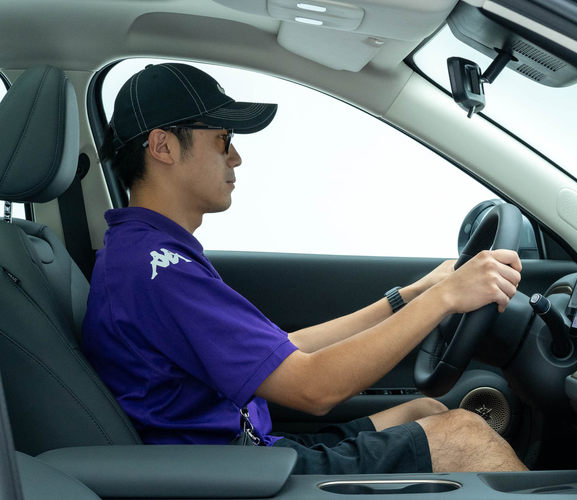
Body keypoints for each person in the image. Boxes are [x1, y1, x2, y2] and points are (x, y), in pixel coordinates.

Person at [82, 62, 527, 474]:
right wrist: (445, 298)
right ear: (162, 146)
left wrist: (410, 297)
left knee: (425, 411)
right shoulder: (159, 268)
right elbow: (313, 389)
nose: (235, 158)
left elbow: (285, 349)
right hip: (233, 477)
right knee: (464, 437)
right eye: (223, 139)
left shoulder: (147, 253)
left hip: (249, 455)